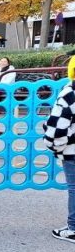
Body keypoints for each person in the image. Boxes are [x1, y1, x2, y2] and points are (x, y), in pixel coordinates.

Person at [44, 79, 75, 243]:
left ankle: (73, 228)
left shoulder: (69, 94)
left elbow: (56, 128)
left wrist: (55, 147)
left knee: (74, 187)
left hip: (72, 150)